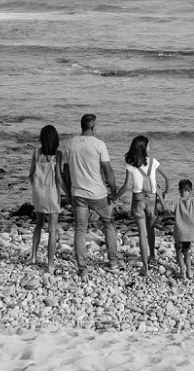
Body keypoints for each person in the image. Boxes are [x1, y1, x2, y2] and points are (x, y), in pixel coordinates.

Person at [61, 112, 120, 276]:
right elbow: (107, 170)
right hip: (98, 194)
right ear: (93, 127)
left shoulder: (70, 144)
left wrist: (68, 191)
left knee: (80, 230)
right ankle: (113, 263)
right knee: (109, 225)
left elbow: (65, 172)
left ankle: (82, 269)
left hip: (78, 193)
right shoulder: (99, 144)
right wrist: (113, 190)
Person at [118, 135, 169, 274]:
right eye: (148, 145)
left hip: (139, 200)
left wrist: (114, 197)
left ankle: (145, 268)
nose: (150, 148)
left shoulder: (131, 164)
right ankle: (152, 255)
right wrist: (166, 192)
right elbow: (167, 178)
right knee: (151, 229)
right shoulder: (153, 162)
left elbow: (126, 186)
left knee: (142, 233)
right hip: (152, 200)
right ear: (143, 148)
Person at [27, 124, 63, 269]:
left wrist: (36, 187)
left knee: (39, 224)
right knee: (52, 230)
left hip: (38, 192)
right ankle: (50, 264)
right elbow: (58, 178)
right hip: (51, 193)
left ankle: (34, 256)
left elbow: (31, 175)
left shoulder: (36, 153)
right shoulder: (57, 155)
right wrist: (63, 194)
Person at [165, 178, 194, 279]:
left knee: (178, 251)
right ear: (190, 190)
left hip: (180, 233)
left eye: (180, 190)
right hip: (190, 234)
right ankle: (189, 271)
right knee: (187, 252)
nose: (180, 192)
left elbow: (166, 209)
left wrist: (161, 196)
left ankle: (182, 271)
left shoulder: (176, 202)